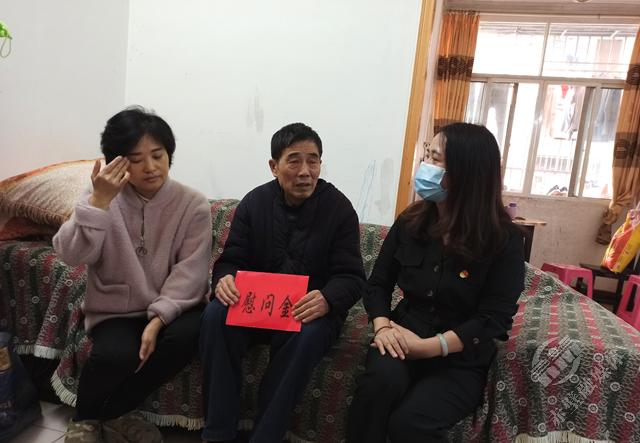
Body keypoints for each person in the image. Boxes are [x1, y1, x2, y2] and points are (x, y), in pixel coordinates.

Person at [346, 122, 525, 443]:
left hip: (459, 358)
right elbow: (378, 285)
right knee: (376, 390)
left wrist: (429, 348)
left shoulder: (504, 239)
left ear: (465, 172)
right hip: (400, 339)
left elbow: (493, 319)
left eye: (435, 158)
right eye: (426, 155)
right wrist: (383, 327)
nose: (424, 166)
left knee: (411, 424)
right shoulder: (411, 220)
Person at [53, 106, 212, 443]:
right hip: (117, 308)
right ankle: (86, 419)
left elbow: (191, 271)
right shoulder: (101, 196)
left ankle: (110, 412)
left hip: (175, 307)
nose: (150, 167)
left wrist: (157, 320)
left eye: (158, 155)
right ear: (117, 163)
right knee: (116, 354)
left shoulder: (193, 204)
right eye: (136, 159)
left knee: (190, 334)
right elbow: (71, 255)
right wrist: (98, 203)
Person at [200, 122, 365, 443]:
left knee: (309, 335)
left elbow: (352, 276)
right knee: (215, 316)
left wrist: (327, 299)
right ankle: (217, 433)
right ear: (274, 166)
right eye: (294, 161)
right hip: (257, 307)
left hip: (308, 311)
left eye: (313, 161)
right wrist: (224, 279)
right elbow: (231, 259)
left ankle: (266, 436)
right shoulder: (254, 203)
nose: (305, 171)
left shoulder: (339, 209)